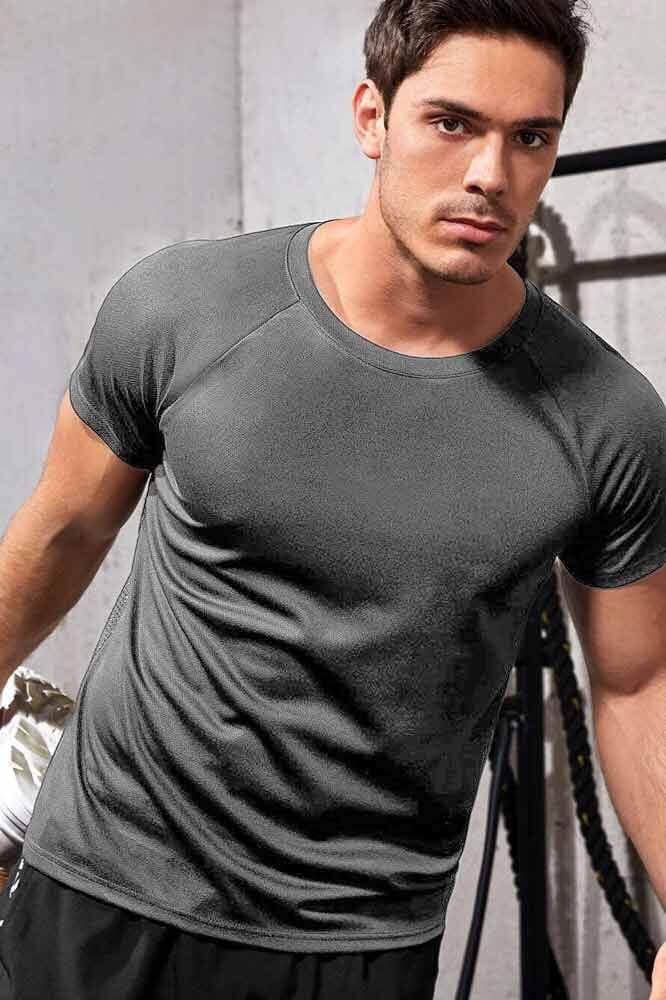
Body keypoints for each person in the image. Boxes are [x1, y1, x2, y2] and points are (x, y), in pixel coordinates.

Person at [4, 0, 666, 997]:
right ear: (372, 118)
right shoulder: (182, 309)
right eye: (452, 123)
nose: (491, 173)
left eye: (530, 137)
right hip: (103, 889)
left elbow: (638, 683)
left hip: (357, 937)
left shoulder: (604, 415)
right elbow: (60, 532)